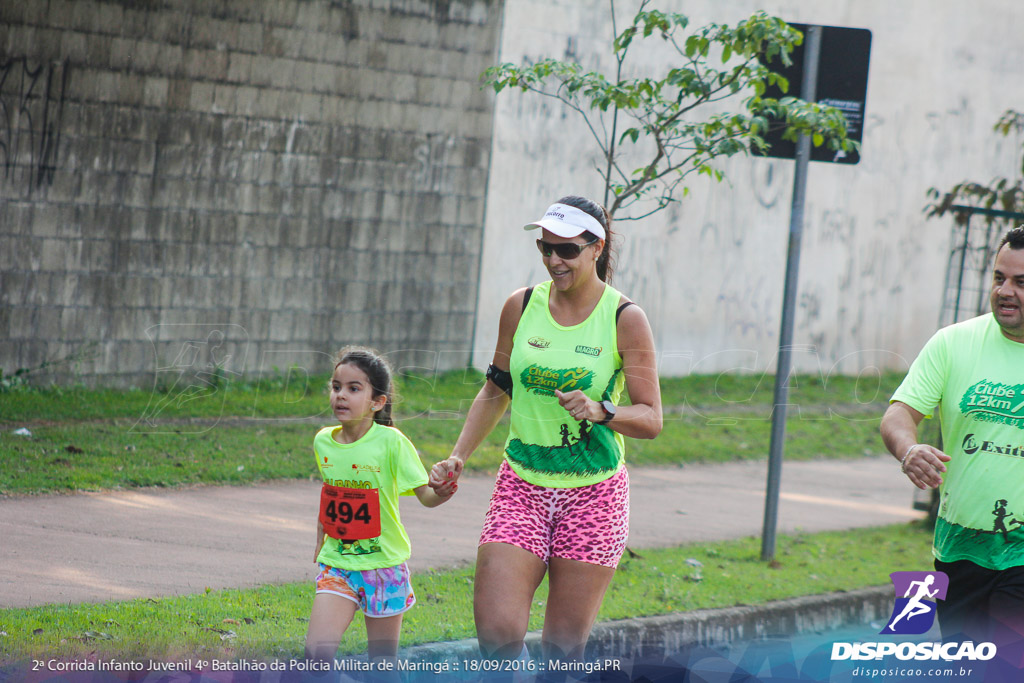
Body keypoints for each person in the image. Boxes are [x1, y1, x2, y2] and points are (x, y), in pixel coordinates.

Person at [429, 195, 663, 662]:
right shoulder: (521, 306)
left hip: (593, 494)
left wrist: (602, 411)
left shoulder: (624, 318)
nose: (554, 260)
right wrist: (459, 455)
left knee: (561, 650)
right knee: (497, 633)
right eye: (545, 248)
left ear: (596, 248)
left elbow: (652, 418)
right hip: (521, 485)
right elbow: (496, 389)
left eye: (567, 250)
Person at [880, 225, 1024, 642]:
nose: (1004, 291)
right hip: (961, 546)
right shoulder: (953, 344)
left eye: (1021, 282)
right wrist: (909, 450)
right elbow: (898, 414)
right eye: (999, 278)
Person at [305, 346, 456, 665]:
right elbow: (331, 493)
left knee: (382, 665)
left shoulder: (392, 443)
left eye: (353, 388)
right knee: (316, 657)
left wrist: (440, 491)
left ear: (377, 402)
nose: (341, 396)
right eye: (336, 387)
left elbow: (425, 496)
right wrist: (320, 539)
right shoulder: (323, 441)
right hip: (337, 564)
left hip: (384, 568)